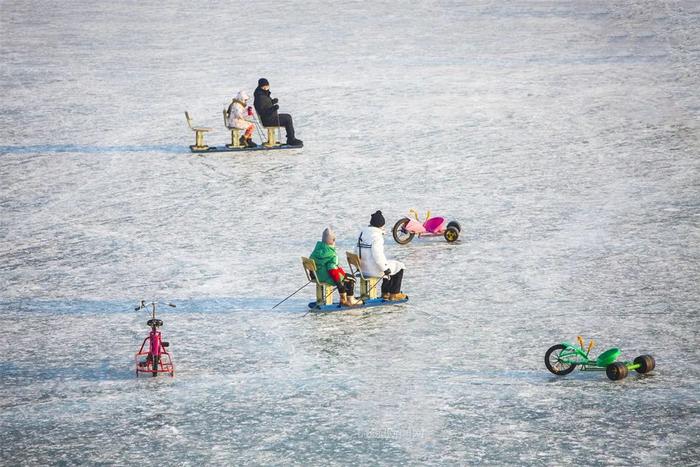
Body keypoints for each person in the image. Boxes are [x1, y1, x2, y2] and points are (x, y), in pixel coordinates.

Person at [356, 210, 407, 301]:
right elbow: (377, 255)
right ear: (381, 225)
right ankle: (395, 293)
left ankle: (386, 292)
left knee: (388, 264)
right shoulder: (377, 236)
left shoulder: (363, 233)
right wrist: (385, 269)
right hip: (372, 269)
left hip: (362, 268)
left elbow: (356, 250)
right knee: (399, 266)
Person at [310, 227, 362, 307]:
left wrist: (313, 275)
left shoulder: (316, 250)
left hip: (317, 275)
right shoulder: (332, 254)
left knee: (345, 276)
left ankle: (343, 299)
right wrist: (340, 286)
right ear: (333, 240)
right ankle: (349, 300)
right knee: (351, 279)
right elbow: (332, 269)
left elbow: (311, 262)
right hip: (328, 276)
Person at [253, 78, 303, 147]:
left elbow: (266, 105)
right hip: (268, 120)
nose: (266, 87)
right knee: (287, 119)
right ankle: (291, 139)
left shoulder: (263, 94)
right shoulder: (260, 97)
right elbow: (263, 112)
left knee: (288, 116)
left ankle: (291, 138)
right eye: (264, 86)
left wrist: (272, 102)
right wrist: (273, 108)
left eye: (267, 85)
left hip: (270, 117)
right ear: (260, 87)